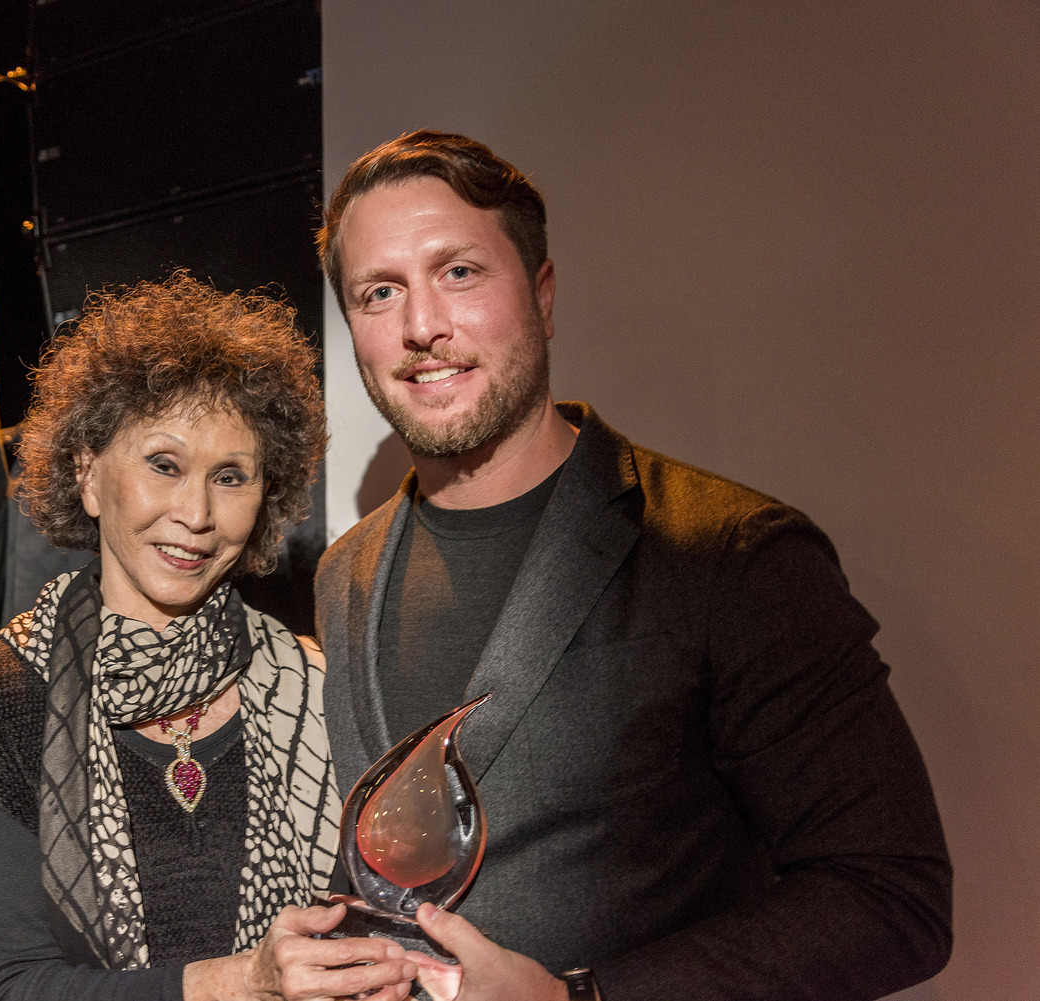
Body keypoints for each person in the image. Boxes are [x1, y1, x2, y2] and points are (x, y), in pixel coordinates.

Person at [311, 131, 952, 1001]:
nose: (422, 326)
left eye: (459, 272)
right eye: (379, 292)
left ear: (541, 295)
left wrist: (584, 998)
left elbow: (892, 896)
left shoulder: (732, 554)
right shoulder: (343, 574)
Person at [0, 273, 418, 1001]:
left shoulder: (317, 685)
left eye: (231, 476)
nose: (196, 513)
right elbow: (7, 988)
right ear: (89, 474)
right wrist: (243, 981)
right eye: (164, 464)